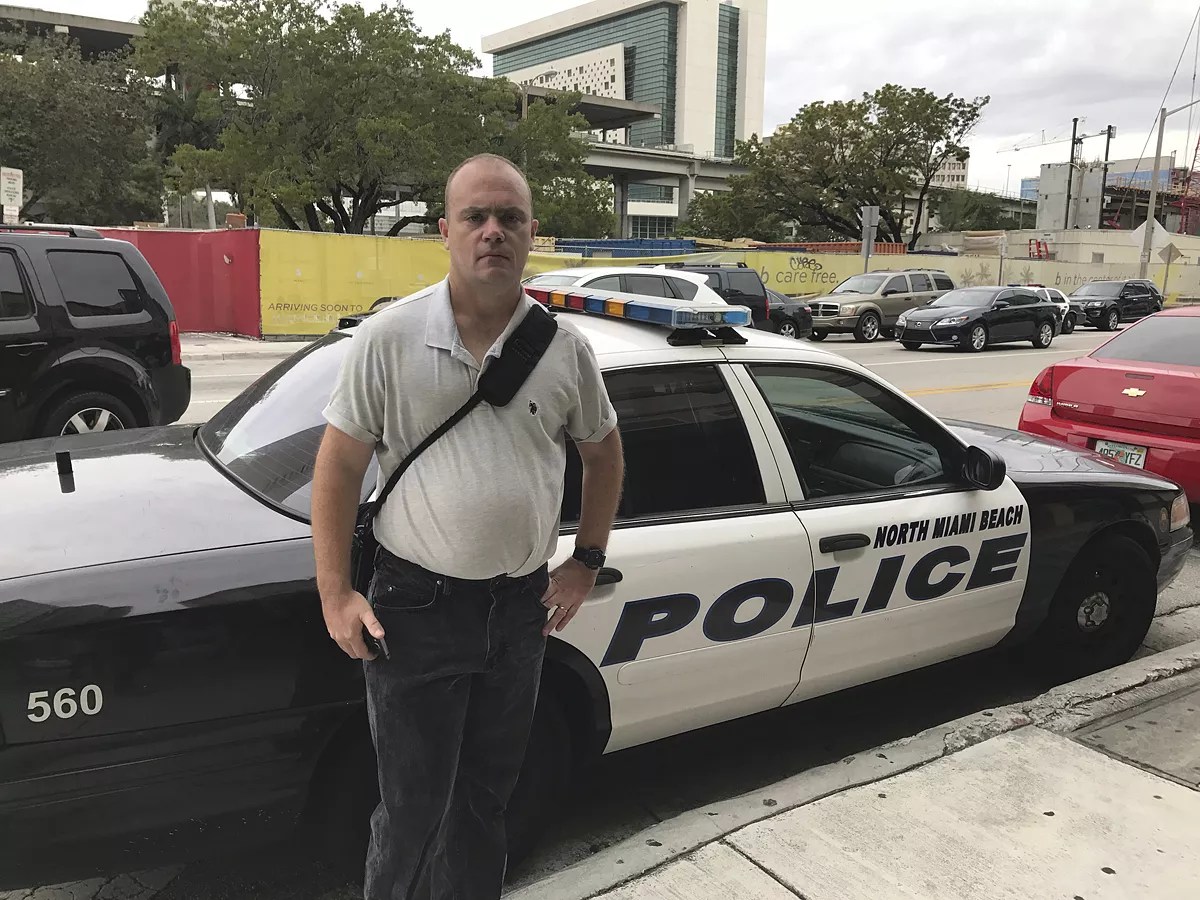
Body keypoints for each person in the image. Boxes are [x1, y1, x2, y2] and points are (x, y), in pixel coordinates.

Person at [310, 153, 625, 900]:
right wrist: (335, 593)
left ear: (531, 234)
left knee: (485, 801)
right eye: (475, 217)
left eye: (509, 218)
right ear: (444, 231)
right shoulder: (388, 339)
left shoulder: (564, 350)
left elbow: (604, 454)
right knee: (412, 810)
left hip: (518, 611)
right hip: (415, 610)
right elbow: (338, 468)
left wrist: (586, 559)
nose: (493, 232)